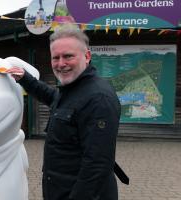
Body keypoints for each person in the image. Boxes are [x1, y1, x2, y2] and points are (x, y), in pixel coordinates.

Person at [7, 25, 126, 200]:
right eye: (55, 58)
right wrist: (25, 78)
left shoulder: (98, 98)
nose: (61, 63)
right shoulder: (74, 89)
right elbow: (53, 97)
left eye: (68, 56)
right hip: (60, 189)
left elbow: (97, 166)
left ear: (87, 56)